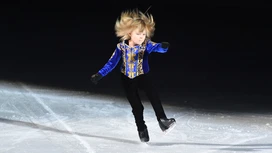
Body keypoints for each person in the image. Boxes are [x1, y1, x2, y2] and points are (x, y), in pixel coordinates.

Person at [90, 8, 176, 142]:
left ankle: (163, 121)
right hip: (127, 79)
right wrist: (99, 74)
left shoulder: (146, 45)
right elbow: (111, 63)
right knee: (137, 106)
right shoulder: (121, 47)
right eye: (139, 34)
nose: (142, 37)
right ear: (130, 33)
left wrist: (164, 46)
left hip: (143, 76)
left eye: (144, 34)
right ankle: (141, 130)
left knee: (153, 96)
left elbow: (158, 47)